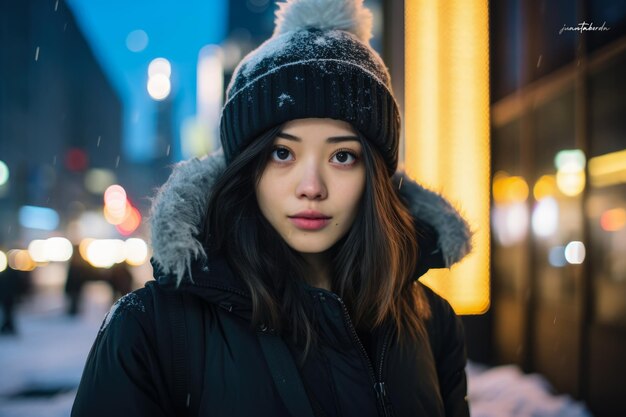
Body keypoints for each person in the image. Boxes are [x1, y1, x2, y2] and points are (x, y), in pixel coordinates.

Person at [72, 0, 473, 416]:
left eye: (342, 157)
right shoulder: (150, 330)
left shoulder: (431, 321)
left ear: (375, 176)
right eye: (282, 153)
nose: (312, 187)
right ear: (246, 169)